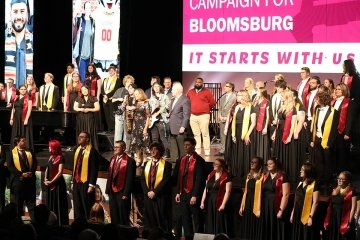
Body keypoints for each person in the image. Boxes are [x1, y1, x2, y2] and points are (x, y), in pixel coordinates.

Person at [173, 137, 206, 240]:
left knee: (196, 218)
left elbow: (199, 180)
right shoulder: (181, 160)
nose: (185, 147)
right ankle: (188, 236)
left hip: (193, 194)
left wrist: (195, 195)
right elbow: (179, 177)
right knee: (185, 217)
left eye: (187, 145)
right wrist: (178, 192)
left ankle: (198, 238)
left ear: (193, 146)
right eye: (184, 145)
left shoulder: (199, 160)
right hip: (183, 193)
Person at [310, 87, 339, 186]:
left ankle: (327, 181)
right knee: (318, 161)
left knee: (327, 162)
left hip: (327, 140)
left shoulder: (334, 112)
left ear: (322, 99)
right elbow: (314, 125)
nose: (315, 100)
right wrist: (312, 139)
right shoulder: (317, 109)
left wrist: (329, 144)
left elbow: (334, 130)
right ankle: (319, 180)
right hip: (317, 139)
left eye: (317, 98)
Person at [224, 90, 256, 178]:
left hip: (246, 132)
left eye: (238, 95)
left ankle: (245, 172)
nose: (236, 97)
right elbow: (234, 121)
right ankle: (236, 172)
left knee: (245, 152)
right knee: (236, 151)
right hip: (236, 132)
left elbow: (253, 123)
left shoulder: (251, 107)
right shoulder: (237, 107)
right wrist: (233, 134)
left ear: (243, 96)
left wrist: (247, 134)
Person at [141, 142, 172, 232]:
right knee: (149, 220)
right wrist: (147, 192)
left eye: (155, 149)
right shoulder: (146, 163)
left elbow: (165, 181)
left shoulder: (166, 165)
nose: (153, 151)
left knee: (160, 220)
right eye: (151, 149)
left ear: (160, 151)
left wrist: (155, 192)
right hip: (148, 196)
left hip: (160, 197)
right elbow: (142, 179)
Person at [258, 157, 291, 240]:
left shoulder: (282, 176)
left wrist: (281, 210)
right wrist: (258, 209)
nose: (268, 165)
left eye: (270, 164)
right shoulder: (265, 176)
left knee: (276, 228)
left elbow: (286, 195)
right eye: (267, 164)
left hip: (276, 206)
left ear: (276, 164)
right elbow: (260, 193)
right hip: (265, 207)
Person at [105, 140, 136, 225]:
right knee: (114, 214)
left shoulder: (130, 161)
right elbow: (110, 175)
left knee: (123, 215)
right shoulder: (112, 159)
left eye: (117, 147)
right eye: (115, 147)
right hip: (112, 191)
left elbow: (130, 179)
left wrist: (126, 193)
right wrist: (107, 190)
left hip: (122, 192)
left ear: (124, 148)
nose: (115, 149)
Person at [7, 136, 37, 220]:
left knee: (31, 204)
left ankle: (34, 223)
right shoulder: (11, 153)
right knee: (18, 205)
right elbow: (10, 167)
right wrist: (21, 174)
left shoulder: (29, 151)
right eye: (23, 141)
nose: (25, 142)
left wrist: (32, 172)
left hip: (30, 182)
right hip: (18, 182)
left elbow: (35, 162)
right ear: (18, 142)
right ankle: (18, 223)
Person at [5, 0, 33, 87]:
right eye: (15, 12)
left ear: (27, 15)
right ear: (10, 14)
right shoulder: (5, 38)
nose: (18, 17)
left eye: (22, 11)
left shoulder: (32, 40)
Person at [72, 131, 100, 220]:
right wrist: (73, 181)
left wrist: (92, 184)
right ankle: (78, 224)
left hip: (86, 183)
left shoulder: (92, 151)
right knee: (77, 205)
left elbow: (94, 169)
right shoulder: (77, 149)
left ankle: (88, 224)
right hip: (77, 182)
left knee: (86, 206)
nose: (79, 138)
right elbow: (75, 167)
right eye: (79, 136)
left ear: (87, 139)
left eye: (82, 137)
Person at [200, 158, 232, 235]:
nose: (214, 165)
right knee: (210, 219)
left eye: (216, 164)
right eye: (214, 164)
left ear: (221, 166)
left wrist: (223, 204)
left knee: (219, 220)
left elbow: (228, 191)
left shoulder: (226, 176)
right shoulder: (210, 175)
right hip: (210, 200)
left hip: (219, 200)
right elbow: (205, 189)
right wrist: (202, 202)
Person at [271, 89, 297, 182]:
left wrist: (290, 136)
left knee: (286, 153)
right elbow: (278, 122)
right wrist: (274, 133)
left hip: (286, 133)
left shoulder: (292, 109)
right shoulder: (282, 107)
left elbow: (293, 124)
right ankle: (279, 172)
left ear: (287, 97)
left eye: (282, 96)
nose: (281, 97)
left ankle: (286, 175)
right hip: (279, 132)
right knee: (279, 153)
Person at [291, 162, 320, 240]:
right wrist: (293, 212)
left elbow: (315, 202)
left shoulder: (314, 184)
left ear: (308, 171)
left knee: (307, 234)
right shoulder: (300, 183)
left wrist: (311, 216)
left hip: (307, 213)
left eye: (302, 170)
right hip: (298, 212)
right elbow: (296, 199)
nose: (300, 171)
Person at [324, 171, 357, 240]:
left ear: (347, 180)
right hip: (334, 218)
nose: (339, 180)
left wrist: (349, 222)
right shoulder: (335, 190)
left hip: (344, 218)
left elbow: (353, 208)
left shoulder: (351, 191)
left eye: (342, 179)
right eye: (338, 178)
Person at [187, 77, 216, 156]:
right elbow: (187, 103)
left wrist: (205, 108)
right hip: (193, 116)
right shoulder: (190, 92)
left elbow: (213, 103)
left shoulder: (207, 92)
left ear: (202, 83)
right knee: (196, 134)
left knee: (205, 133)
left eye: (199, 82)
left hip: (204, 115)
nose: (197, 83)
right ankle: (197, 149)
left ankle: (207, 150)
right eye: (196, 82)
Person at [44, 139, 69, 226]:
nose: (49, 148)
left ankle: (59, 223)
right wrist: (45, 179)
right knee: (50, 202)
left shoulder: (61, 157)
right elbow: (47, 168)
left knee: (58, 202)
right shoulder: (50, 157)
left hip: (58, 184)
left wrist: (51, 181)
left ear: (54, 147)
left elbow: (60, 172)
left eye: (50, 146)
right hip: (50, 183)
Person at [239, 156, 263, 240]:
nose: (252, 163)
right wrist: (242, 205)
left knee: (255, 223)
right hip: (248, 202)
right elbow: (245, 191)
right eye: (251, 162)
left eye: (254, 162)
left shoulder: (262, 177)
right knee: (247, 223)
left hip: (256, 202)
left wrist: (259, 208)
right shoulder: (249, 176)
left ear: (260, 165)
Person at [332, 83, 354, 172]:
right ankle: (336, 173)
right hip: (334, 132)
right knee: (335, 154)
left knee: (343, 155)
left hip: (343, 131)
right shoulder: (333, 101)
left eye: (339, 89)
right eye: (336, 89)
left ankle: (343, 174)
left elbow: (350, 118)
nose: (336, 90)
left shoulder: (349, 102)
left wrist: (347, 133)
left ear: (344, 90)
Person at [72, 1, 95, 82]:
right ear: (84, 9)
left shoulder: (93, 22)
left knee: (89, 79)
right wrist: (77, 31)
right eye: (87, 7)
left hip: (89, 56)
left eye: (90, 7)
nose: (88, 9)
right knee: (83, 78)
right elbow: (73, 31)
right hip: (81, 56)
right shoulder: (80, 20)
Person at [169, 82, 191, 163]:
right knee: (173, 148)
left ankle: (183, 164)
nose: (171, 91)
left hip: (179, 128)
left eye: (173, 90)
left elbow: (187, 115)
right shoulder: (173, 100)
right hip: (172, 127)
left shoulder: (185, 100)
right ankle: (174, 164)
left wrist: (183, 126)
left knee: (182, 149)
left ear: (178, 90)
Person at [74, 86, 100, 151]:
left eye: (85, 89)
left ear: (88, 90)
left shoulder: (93, 98)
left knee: (90, 132)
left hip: (90, 118)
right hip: (81, 118)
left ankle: (91, 148)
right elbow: (75, 107)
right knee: (81, 132)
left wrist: (89, 109)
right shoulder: (78, 98)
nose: (84, 91)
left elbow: (97, 108)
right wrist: (81, 109)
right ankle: (81, 148)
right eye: (82, 90)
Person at [148, 82, 171, 156]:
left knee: (163, 138)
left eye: (158, 86)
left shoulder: (165, 97)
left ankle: (166, 153)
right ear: (153, 88)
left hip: (161, 120)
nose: (156, 88)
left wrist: (162, 105)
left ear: (160, 87)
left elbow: (168, 107)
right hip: (154, 121)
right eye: (155, 87)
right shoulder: (152, 98)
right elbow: (150, 109)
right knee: (154, 139)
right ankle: (156, 153)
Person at [129, 88, 151, 167]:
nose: (135, 95)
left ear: (141, 94)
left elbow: (148, 116)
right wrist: (131, 111)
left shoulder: (146, 103)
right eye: (135, 94)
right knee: (136, 143)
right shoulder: (135, 103)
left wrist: (145, 128)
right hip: (136, 126)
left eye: (137, 94)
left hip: (143, 125)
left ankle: (144, 160)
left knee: (144, 144)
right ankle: (138, 159)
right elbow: (132, 116)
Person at [112, 75, 134, 144]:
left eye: (130, 82)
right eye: (127, 81)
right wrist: (119, 99)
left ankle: (125, 149)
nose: (129, 83)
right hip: (119, 113)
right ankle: (117, 147)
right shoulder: (120, 90)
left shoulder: (133, 91)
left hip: (129, 114)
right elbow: (113, 100)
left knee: (127, 132)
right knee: (118, 131)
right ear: (125, 82)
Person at [10, 85, 33, 150]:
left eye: (24, 89)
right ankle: (16, 147)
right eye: (21, 89)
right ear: (19, 90)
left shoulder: (28, 98)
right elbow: (13, 109)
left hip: (24, 118)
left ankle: (24, 147)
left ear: (26, 90)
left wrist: (26, 119)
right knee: (16, 132)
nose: (23, 90)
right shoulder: (16, 98)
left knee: (24, 132)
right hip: (16, 118)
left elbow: (29, 110)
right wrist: (11, 118)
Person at [216, 82, 236, 157]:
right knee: (222, 135)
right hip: (222, 118)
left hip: (229, 119)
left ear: (231, 88)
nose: (224, 87)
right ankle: (222, 150)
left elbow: (233, 109)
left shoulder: (234, 96)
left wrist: (227, 117)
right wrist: (220, 116)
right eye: (225, 86)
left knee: (229, 134)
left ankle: (229, 150)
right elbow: (220, 107)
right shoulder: (223, 96)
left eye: (227, 86)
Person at [101, 65, 121, 133]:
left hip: (112, 99)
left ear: (115, 71)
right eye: (109, 70)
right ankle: (109, 129)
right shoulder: (105, 79)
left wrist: (108, 95)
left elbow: (116, 89)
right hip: (105, 99)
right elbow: (102, 89)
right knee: (106, 115)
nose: (110, 72)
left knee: (111, 115)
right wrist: (104, 94)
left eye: (112, 70)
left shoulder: (117, 80)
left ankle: (113, 129)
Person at [253, 87, 270, 160]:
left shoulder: (267, 102)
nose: (257, 93)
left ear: (262, 93)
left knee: (263, 142)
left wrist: (266, 127)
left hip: (263, 123)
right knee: (256, 141)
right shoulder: (255, 101)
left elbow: (268, 116)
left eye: (258, 92)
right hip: (255, 123)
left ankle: (264, 159)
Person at [0, 141, 7, 214]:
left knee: (1, 196)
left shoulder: (1, 147)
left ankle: (2, 213)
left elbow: (3, 159)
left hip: (0, 176)